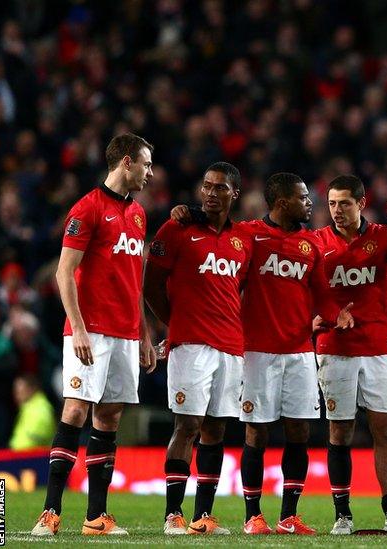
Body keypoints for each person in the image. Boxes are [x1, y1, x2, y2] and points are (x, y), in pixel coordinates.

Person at [170, 172, 354, 535]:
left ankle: (289, 516)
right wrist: (187, 213)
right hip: (255, 353)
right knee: (256, 434)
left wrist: (337, 315)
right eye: (303, 197)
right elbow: (221, 254)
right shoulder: (250, 235)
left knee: (299, 432)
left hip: (300, 353)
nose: (309, 203)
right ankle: (252, 515)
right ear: (283, 202)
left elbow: (322, 294)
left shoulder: (311, 243)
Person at [31, 133, 156, 537]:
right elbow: (63, 272)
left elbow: (134, 281)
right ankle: (49, 514)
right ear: (125, 162)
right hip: (90, 332)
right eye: (146, 164)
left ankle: (95, 517)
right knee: (74, 412)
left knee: (110, 418)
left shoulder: (138, 214)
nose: (150, 173)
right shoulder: (87, 208)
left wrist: (144, 333)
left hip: (124, 333)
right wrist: (79, 328)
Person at [314, 175, 387, 535]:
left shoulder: (382, 236)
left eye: (344, 203)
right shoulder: (317, 242)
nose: (337, 211)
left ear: (361, 203)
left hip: (376, 350)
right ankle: (342, 515)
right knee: (340, 431)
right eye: (332, 203)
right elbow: (307, 290)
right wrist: (326, 315)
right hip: (334, 350)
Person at [143, 162, 252, 535]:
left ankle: (203, 516)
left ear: (234, 194)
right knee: (187, 423)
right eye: (206, 186)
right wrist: (174, 322)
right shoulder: (177, 228)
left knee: (216, 430)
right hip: (190, 345)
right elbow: (151, 284)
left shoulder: (244, 240)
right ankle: (173, 513)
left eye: (219, 188)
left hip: (231, 346)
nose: (210, 193)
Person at [9, 374, 55, 450]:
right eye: (15, 391)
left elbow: (39, 437)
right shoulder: (28, 407)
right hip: (23, 457)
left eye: (20, 391)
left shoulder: (41, 408)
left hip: (31, 457)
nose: (16, 395)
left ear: (31, 389)